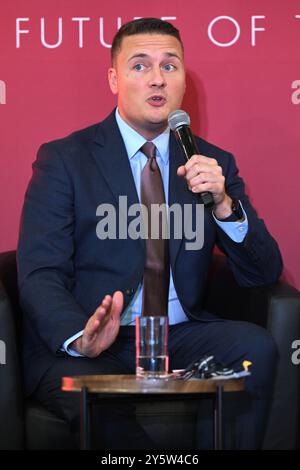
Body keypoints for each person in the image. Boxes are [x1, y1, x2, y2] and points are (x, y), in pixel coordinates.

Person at [17, 17, 283, 450]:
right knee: (101, 404)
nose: (157, 78)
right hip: (97, 339)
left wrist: (223, 204)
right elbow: (40, 271)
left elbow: (264, 272)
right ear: (114, 78)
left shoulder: (212, 164)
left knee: (254, 347)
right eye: (140, 66)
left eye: (170, 65)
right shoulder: (65, 159)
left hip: (180, 334)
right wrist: (80, 337)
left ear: (182, 80)